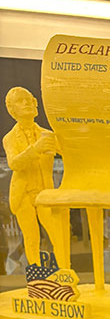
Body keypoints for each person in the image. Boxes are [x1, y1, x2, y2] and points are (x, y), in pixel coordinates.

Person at [2, 86, 64, 268]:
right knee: (31, 238)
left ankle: (63, 273)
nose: (27, 103)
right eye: (21, 101)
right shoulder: (9, 138)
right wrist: (36, 149)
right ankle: (36, 279)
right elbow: (14, 163)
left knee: (56, 235)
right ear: (12, 110)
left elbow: (71, 155)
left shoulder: (49, 135)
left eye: (29, 100)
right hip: (23, 195)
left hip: (45, 193)